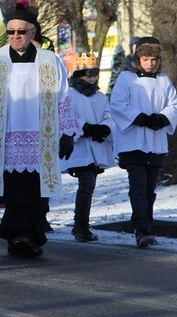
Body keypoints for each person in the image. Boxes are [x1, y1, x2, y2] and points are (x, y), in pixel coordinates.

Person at [0, 0, 79, 257]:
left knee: (37, 188)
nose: (15, 36)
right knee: (15, 189)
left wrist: (68, 133)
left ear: (33, 32)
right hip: (4, 137)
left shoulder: (51, 61)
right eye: (11, 32)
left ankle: (31, 237)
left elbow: (63, 97)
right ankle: (18, 236)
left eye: (21, 31)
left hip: (43, 136)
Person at [110, 36, 177, 248]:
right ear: (138, 59)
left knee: (150, 188)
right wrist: (141, 118)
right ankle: (141, 229)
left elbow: (174, 104)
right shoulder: (126, 79)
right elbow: (117, 104)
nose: (150, 63)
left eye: (154, 59)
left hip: (156, 142)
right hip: (133, 142)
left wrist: (162, 118)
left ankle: (147, 225)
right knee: (138, 186)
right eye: (146, 58)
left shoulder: (164, 80)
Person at [60, 52, 116, 242]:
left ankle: (82, 224)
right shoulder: (69, 94)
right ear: (77, 74)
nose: (91, 77)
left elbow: (108, 115)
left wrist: (105, 128)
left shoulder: (100, 97)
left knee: (89, 185)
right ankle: (80, 225)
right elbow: (67, 117)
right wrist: (86, 128)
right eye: (87, 73)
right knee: (86, 184)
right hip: (79, 147)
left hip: (96, 146)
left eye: (94, 72)